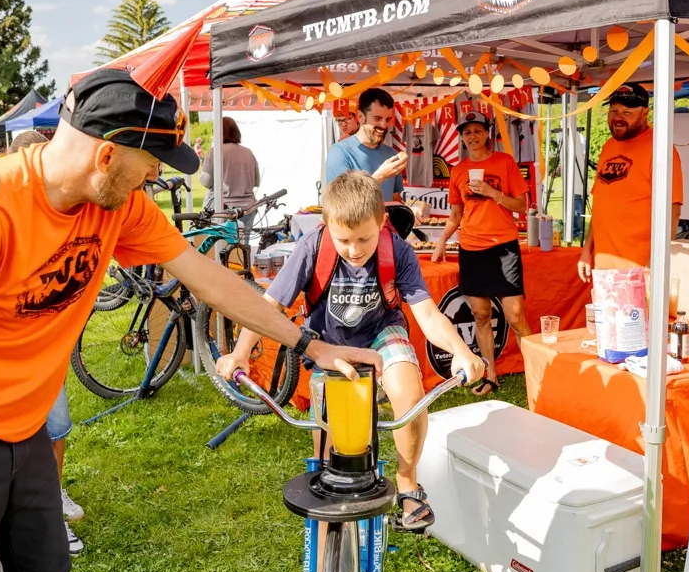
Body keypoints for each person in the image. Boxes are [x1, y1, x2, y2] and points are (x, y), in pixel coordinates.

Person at [0, 68, 379, 572]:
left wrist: (309, 343)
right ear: (107, 156)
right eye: (152, 163)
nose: (157, 177)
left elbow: (209, 279)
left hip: (25, 430)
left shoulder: (117, 207)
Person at [217, 171, 486, 532]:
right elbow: (270, 306)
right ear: (326, 224)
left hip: (380, 334)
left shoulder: (399, 251)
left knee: (409, 395)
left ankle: (407, 481)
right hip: (328, 343)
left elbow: (426, 313)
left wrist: (459, 349)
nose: (355, 250)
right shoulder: (311, 247)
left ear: (382, 222)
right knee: (326, 457)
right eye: (344, 240)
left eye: (364, 238)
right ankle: (326, 565)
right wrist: (239, 352)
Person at [5, 129, 85, 555]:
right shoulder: (0, 214)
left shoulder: (63, 216)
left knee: (55, 428)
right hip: (7, 358)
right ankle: (32, 515)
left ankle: (52, 498)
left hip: (46, 354)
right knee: (17, 440)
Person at [432, 112, 532, 393]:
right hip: (472, 248)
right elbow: (455, 213)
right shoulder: (458, 170)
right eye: (467, 132)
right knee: (481, 316)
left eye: (477, 131)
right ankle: (491, 375)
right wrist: (442, 240)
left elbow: (521, 206)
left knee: (515, 317)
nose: (472, 136)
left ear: (487, 134)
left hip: (503, 248)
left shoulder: (505, 162)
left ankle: (536, 373)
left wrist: (491, 192)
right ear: (462, 138)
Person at [577, 83, 683, 281]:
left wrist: (658, 263)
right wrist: (586, 250)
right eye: (614, 110)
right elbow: (600, 204)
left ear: (645, 114)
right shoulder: (609, 146)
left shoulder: (660, 149)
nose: (618, 117)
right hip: (603, 267)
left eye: (627, 112)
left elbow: (673, 211)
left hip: (640, 270)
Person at [324, 88, 407, 203]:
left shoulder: (392, 154)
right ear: (361, 117)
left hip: (385, 221)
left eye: (387, 119)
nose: (383, 125)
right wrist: (380, 176)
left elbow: (395, 199)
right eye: (377, 118)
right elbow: (340, 203)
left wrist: (410, 211)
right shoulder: (340, 152)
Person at [199, 117, 261, 229]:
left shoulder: (215, 151)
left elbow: (206, 181)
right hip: (247, 208)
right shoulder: (248, 152)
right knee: (242, 245)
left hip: (221, 208)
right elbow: (257, 181)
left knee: (221, 244)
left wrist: (200, 174)